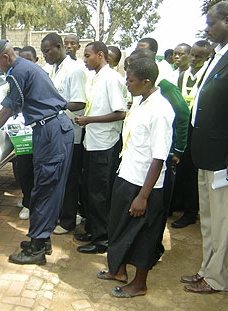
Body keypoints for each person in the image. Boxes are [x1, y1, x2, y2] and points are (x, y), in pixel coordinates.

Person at [0, 40, 74, 265]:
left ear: (6, 58)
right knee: (46, 188)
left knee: (45, 189)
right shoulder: (28, 69)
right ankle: (42, 239)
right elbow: (14, 104)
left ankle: (37, 249)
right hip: (53, 129)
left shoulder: (17, 72)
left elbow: (9, 108)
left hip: (50, 132)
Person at [97, 57, 175, 298]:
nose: (126, 83)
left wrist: (143, 196)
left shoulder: (161, 111)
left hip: (145, 185)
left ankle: (139, 284)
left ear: (146, 81)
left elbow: (159, 157)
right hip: (127, 175)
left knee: (143, 236)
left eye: (130, 80)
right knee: (118, 226)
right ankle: (119, 270)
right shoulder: (141, 102)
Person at [182, 2, 228, 294]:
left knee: (222, 221)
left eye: (212, 23)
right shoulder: (217, 55)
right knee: (209, 219)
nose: (207, 29)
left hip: (221, 156)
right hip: (206, 154)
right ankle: (207, 268)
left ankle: (217, 278)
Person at [128, 48, 190, 258]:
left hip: (160, 159)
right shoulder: (142, 97)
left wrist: (178, 149)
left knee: (154, 215)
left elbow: (182, 115)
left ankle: (153, 250)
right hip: (139, 166)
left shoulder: (165, 91)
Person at [74, 41, 126, 254]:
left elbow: (120, 113)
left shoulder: (112, 79)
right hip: (92, 142)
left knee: (100, 194)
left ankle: (102, 240)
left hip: (105, 145)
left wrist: (89, 120)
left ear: (101, 55)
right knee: (90, 190)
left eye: (87, 56)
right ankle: (93, 231)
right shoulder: (96, 77)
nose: (85, 60)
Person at [40, 33, 87, 235]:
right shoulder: (55, 69)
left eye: (47, 51)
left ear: (59, 47)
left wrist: (51, 105)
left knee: (69, 178)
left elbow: (80, 102)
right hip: (56, 131)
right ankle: (62, 214)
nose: (45, 56)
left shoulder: (74, 70)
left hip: (71, 134)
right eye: (43, 52)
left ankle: (68, 220)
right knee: (59, 176)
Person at [171, 40, 211, 228]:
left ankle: (190, 212)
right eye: (193, 55)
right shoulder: (182, 76)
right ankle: (177, 203)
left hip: (198, 129)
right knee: (179, 166)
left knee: (192, 172)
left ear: (207, 57)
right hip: (181, 127)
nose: (194, 59)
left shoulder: (207, 76)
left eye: (198, 56)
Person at [13, 45, 39, 220]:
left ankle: (33, 203)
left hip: (38, 130)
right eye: (21, 60)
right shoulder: (15, 78)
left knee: (36, 169)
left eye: (28, 60)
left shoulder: (41, 77)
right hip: (21, 131)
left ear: (36, 61)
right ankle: (27, 200)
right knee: (23, 167)